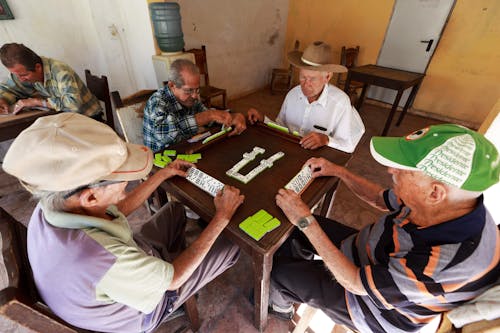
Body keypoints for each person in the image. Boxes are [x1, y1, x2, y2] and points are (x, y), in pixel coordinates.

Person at [2, 113, 243, 333]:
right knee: (233, 242)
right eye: (124, 185)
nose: (126, 191)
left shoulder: (51, 205)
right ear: (91, 196)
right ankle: (173, 293)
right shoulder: (97, 257)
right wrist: (221, 217)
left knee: (175, 210)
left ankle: (166, 263)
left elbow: (116, 210)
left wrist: (163, 173)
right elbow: (173, 280)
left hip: (113, 276)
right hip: (139, 312)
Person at [269, 124, 499, 332]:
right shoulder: (449, 205)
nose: (391, 170)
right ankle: (300, 277)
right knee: (292, 232)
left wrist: (305, 220)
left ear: (434, 193)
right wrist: (338, 171)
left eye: (403, 170)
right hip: (369, 253)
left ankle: (281, 307)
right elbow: (380, 199)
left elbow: (356, 283)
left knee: (279, 273)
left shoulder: (446, 265)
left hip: (371, 307)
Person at [247, 41, 365, 153]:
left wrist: (326, 140)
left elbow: (348, 146)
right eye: (303, 77)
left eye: (312, 79)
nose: (305, 84)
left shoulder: (340, 103)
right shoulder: (292, 95)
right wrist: (264, 120)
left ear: (327, 77)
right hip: (289, 152)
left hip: (319, 160)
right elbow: (282, 127)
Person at [143, 58, 247, 151]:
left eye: (197, 89)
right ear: (172, 85)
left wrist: (232, 116)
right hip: (160, 161)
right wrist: (207, 116)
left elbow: (209, 118)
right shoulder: (157, 102)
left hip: (186, 149)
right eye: (188, 90)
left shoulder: (191, 98)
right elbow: (163, 135)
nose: (194, 96)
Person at [0, 43, 102, 118]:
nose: (21, 80)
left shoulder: (60, 71)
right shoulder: (25, 71)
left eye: (24, 75)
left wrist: (36, 102)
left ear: (38, 67)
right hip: (66, 117)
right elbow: (11, 89)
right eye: (16, 75)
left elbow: (74, 105)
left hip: (89, 117)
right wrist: (3, 100)